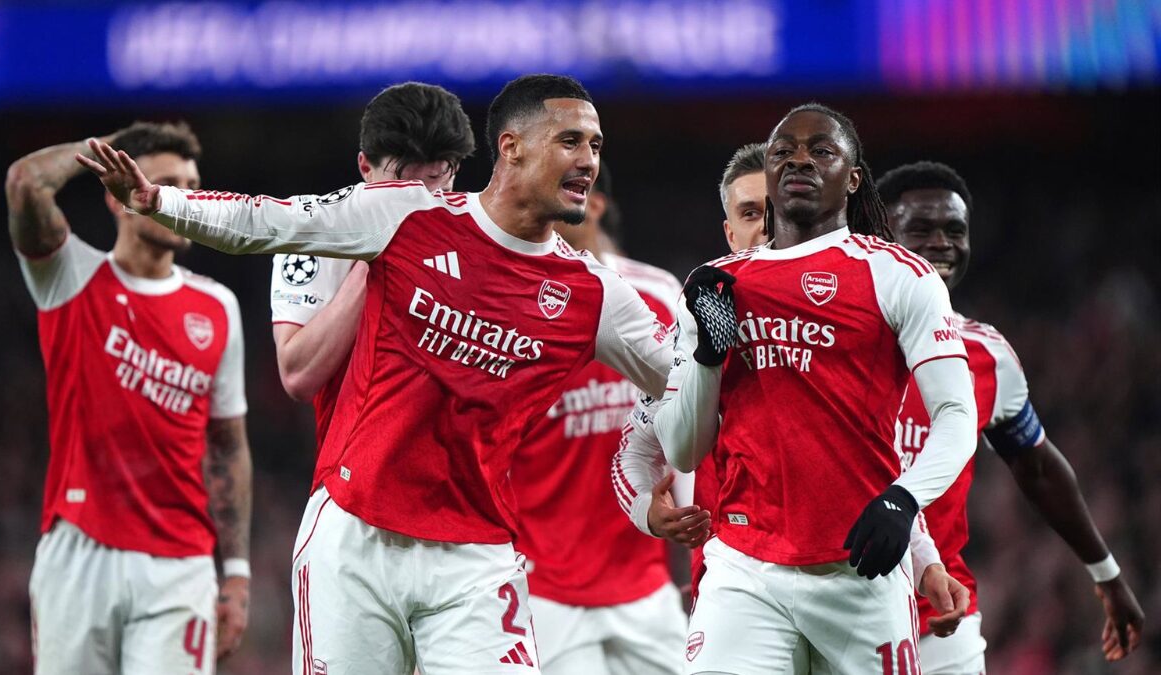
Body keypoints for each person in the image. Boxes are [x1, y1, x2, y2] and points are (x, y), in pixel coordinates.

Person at [78, 74, 672, 674]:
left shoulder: (596, 294)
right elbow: (266, 222)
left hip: (476, 554)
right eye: (571, 141)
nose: (589, 160)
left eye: (596, 146)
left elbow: (682, 387)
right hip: (356, 537)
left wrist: (648, 454)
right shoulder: (403, 215)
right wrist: (159, 201)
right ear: (511, 146)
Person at [615, 143, 969, 673]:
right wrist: (646, 508)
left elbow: (865, 464)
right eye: (749, 213)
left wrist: (924, 561)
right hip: (741, 569)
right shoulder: (698, 317)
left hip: (850, 567)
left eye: (771, 209)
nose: (765, 226)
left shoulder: (854, 312)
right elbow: (638, 444)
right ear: (729, 232)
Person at [876, 161, 1146, 672]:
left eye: (955, 230)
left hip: (942, 622)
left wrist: (1106, 573)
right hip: (837, 610)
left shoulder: (986, 355)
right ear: (881, 237)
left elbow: (1037, 467)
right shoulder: (831, 341)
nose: (942, 243)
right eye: (921, 228)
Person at [7, 122, 252, 674]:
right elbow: (25, 184)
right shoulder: (71, 275)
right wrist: (107, 148)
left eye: (193, 186)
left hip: (181, 565)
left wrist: (236, 574)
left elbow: (228, 446)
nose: (184, 199)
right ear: (118, 196)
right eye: (167, 183)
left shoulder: (218, 308)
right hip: (79, 550)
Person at [510, 164, 687, 674]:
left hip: (644, 585)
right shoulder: (514, 307)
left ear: (595, 205)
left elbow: (689, 424)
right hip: (546, 588)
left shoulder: (659, 295)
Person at [270, 82, 475, 491]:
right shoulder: (319, 238)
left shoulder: (477, 246)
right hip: (356, 492)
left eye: (435, 182)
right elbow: (297, 375)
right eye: (401, 190)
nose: (417, 205)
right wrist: (376, 260)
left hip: (458, 494)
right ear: (365, 168)